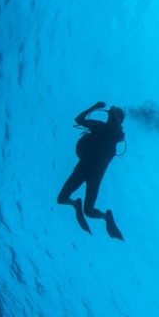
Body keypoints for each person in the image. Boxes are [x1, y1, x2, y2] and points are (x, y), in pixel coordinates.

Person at [57, 101, 125, 239]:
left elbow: (118, 135)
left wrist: (96, 108)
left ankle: (105, 217)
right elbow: (78, 120)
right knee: (61, 199)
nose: (113, 113)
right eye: (114, 111)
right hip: (84, 169)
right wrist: (94, 107)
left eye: (117, 113)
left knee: (88, 211)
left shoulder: (117, 133)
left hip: (93, 173)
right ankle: (75, 204)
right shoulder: (99, 126)